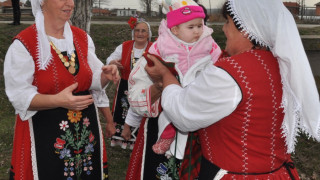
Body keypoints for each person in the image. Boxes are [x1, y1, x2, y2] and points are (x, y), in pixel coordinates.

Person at [145, 0, 320, 179]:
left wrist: (166, 76)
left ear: (245, 28)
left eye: (228, 21)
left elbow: (182, 114)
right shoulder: (281, 65)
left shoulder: (230, 73)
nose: (223, 29)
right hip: (279, 174)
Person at [3, 0, 119, 179]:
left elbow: (92, 80)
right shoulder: (24, 44)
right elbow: (19, 96)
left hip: (84, 133)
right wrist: (58, 101)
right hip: (44, 133)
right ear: (42, 3)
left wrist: (105, 76)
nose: (69, 3)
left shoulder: (82, 38)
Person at [126, 0, 221, 179]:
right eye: (191, 26)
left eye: (200, 26)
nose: (197, 31)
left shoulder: (210, 47)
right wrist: (161, 85)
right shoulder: (159, 50)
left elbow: (222, 73)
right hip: (161, 122)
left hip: (202, 127)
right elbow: (135, 93)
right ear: (174, 29)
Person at [106, 17, 153, 150]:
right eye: (137, 30)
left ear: (148, 34)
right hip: (125, 86)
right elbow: (110, 58)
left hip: (146, 86)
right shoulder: (125, 46)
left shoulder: (153, 48)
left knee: (143, 112)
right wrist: (112, 62)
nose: (140, 33)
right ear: (133, 33)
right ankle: (125, 139)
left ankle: (141, 140)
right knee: (124, 111)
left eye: (143, 31)